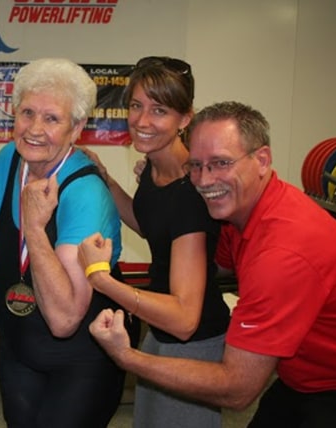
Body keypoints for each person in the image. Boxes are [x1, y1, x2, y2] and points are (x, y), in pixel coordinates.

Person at [87, 101, 336, 428]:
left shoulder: (283, 251)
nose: (205, 180)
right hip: (306, 378)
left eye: (220, 163)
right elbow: (208, 261)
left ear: (261, 159)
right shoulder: (240, 212)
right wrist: (157, 191)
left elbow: (237, 388)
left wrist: (127, 356)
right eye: (196, 165)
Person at [0, 58, 140, 428]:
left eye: (52, 118)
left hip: (82, 357)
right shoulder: (9, 159)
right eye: (27, 113)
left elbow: (64, 318)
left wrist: (36, 230)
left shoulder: (86, 193)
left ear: (77, 128)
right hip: (18, 346)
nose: (35, 129)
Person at [78, 56, 230, 428]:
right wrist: (106, 180)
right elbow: (152, 227)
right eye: (136, 105)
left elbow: (184, 318)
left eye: (159, 110)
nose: (142, 121)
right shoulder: (154, 167)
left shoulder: (189, 194)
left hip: (192, 344)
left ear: (185, 118)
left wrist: (102, 279)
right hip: (158, 330)